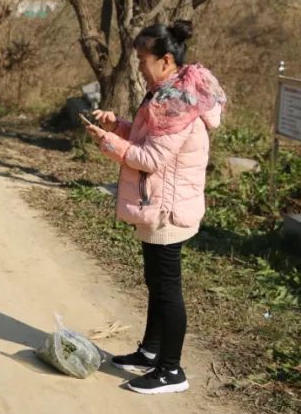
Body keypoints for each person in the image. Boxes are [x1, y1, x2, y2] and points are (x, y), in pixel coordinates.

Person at [84, 20, 226, 395]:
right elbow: (149, 138)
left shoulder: (176, 103)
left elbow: (150, 159)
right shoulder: (167, 93)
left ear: (165, 60)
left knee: (166, 288)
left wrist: (109, 143)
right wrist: (119, 126)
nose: (139, 66)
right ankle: (151, 352)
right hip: (160, 203)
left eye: (144, 59)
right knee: (156, 283)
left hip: (168, 210)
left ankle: (171, 371)